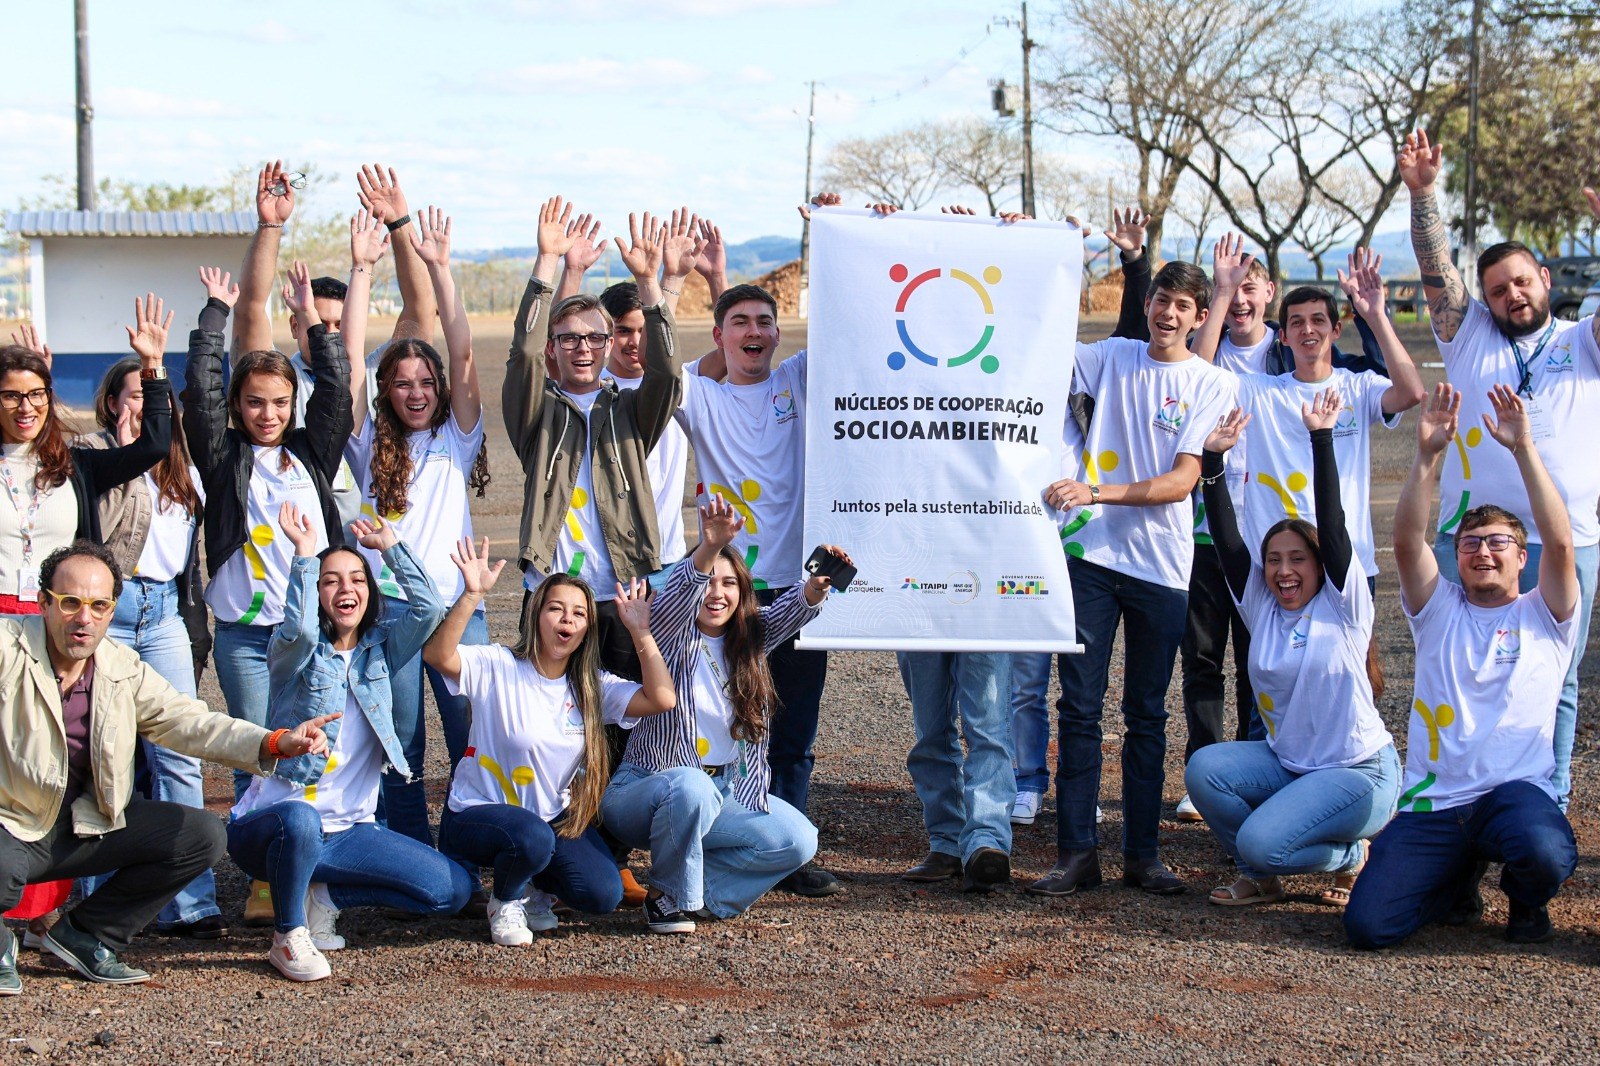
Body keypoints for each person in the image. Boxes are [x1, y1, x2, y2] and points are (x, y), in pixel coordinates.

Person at [0, 541, 334, 994]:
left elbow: (189, 722)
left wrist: (273, 740)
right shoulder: (8, 648)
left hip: (79, 828)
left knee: (199, 836)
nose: (85, 618)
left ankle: (87, 934)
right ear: (44, 603)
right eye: (70, 603)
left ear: (111, 609)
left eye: (99, 606)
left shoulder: (120, 668)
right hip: (11, 826)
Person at [1400, 131, 1600, 808]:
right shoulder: (1469, 331)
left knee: (1559, 680)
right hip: (1477, 540)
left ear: (1546, 280)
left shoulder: (1583, 340)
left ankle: (1549, 802)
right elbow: (1435, 267)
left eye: (1522, 281)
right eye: (1497, 288)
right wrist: (1424, 192)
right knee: (1456, 670)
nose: (1512, 294)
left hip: (1565, 537)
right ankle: (1459, 804)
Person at [1026, 260, 1236, 898]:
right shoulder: (1113, 355)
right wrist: (1027, 250)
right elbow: (1038, 349)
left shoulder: (1211, 384)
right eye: (1160, 300)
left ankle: (1143, 856)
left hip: (1162, 570)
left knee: (1146, 714)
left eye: (1182, 307)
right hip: (1090, 562)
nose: (1167, 315)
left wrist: (1096, 490)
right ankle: (1076, 854)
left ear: (1201, 318)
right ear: (1147, 302)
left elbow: (1181, 483)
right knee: (1079, 708)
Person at [1345, 384, 1579, 948]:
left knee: (1544, 852)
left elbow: (1563, 543)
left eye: (1498, 542)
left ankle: (1526, 902)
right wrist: (1427, 455)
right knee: (1368, 927)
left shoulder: (1546, 615)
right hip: (1437, 802)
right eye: (1471, 542)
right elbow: (1405, 543)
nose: (1482, 551)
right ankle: (1454, 880)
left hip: (1514, 795)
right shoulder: (1439, 609)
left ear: (1523, 558)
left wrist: (1524, 449)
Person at [1173, 238, 1393, 821]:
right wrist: (1217, 292)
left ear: (1269, 297)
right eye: (1233, 287)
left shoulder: (1290, 361)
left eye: (1252, 287)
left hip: (1295, 550)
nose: (1241, 297)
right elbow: (1195, 368)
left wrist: (1372, 316)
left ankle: (1328, 785)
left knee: (1267, 662)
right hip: (1220, 533)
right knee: (1202, 658)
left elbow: (1392, 387)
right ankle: (1223, 775)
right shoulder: (1220, 360)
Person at [226, 505, 469, 983]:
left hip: (348, 834)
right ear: (316, 593)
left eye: (357, 580)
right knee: (301, 817)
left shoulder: (381, 649)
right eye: (331, 580)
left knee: (451, 891)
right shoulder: (294, 652)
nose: (346, 590)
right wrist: (302, 555)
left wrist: (391, 548)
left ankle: (324, 897)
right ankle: (289, 933)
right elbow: (295, 628)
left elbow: (430, 609)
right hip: (273, 828)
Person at [1185, 393, 1401, 907]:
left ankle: (1351, 857)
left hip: (1358, 772)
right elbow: (1227, 537)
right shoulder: (1262, 607)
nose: (1285, 570)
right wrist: (1212, 461)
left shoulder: (1344, 605)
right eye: (1275, 560)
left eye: (1298, 559)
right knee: (1204, 771)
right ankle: (1260, 877)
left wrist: (1321, 439)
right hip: (1291, 765)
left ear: (1320, 565)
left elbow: (1333, 521)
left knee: (1262, 840)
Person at [601, 498, 845, 932]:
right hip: (644, 791)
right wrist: (710, 546)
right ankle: (668, 895)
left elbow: (794, 610)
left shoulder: (750, 640)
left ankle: (700, 897)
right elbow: (679, 594)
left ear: (742, 592)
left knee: (797, 840)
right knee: (692, 787)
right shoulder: (670, 633)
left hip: (722, 790)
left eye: (729, 584)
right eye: (710, 583)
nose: (718, 594)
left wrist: (818, 585)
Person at [424, 540, 675, 945]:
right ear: (537, 615)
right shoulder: (498, 665)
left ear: (586, 628)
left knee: (602, 893)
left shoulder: (591, 685)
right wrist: (472, 594)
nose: (567, 619)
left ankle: (536, 891)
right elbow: (438, 656)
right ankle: (504, 900)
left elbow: (662, 698)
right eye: (556, 608)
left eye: (579, 613)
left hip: (548, 818)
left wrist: (640, 632)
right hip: (477, 813)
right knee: (531, 836)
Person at [343, 205, 489, 850]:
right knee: (400, 742)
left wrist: (441, 270)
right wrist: (359, 271)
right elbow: (347, 361)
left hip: (459, 606)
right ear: (386, 392)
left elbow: (461, 350)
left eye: (426, 381)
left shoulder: (457, 438)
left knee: (472, 739)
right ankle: (406, 853)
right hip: (393, 610)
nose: (417, 391)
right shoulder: (367, 441)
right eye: (401, 383)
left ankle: (470, 846)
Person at [186, 262, 352, 812]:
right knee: (253, 748)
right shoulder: (222, 456)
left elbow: (337, 391)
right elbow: (201, 397)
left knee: (314, 745)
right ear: (238, 405)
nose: (268, 413)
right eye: (255, 401)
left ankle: (313, 846)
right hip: (246, 639)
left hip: (310, 630)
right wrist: (216, 317)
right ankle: (260, 866)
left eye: (280, 402)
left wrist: (314, 324)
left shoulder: (310, 452)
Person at [1011, 206, 1153, 829]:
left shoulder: (1083, 369)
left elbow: (1131, 334)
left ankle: (1077, 785)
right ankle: (1026, 780)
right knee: (1023, 678)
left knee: (1080, 686)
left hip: (1080, 548)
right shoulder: (998, 368)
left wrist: (1133, 263)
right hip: (1016, 542)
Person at [503, 197, 680, 674]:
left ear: (606, 346)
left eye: (594, 338)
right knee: (550, 714)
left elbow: (665, 373)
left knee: (623, 718)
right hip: (552, 592)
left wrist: (649, 283)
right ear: (553, 349)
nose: (583, 348)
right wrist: (546, 265)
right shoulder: (537, 416)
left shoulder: (630, 411)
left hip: (622, 591)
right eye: (569, 338)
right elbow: (521, 354)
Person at [75, 351, 218, 939]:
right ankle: (103, 901)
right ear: (111, 403)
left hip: (164, 615)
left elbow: (189, 561)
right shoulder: (93, 458)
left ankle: (191, 903)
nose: (142, 406)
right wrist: (127, 458)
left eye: (151, 397)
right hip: (111, 609)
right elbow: (95, 534)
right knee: (107, 757)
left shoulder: (183, 467)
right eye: (131, 395)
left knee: (180, 748)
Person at [231, 162, 433, 535]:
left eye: (341, 325)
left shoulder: (374, 373)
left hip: (369, 551)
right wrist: (271, 225)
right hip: (293, 546)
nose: (331, 334)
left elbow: (421, 312)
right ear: (295, 324)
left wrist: (400, 224)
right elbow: (248, 310)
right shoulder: (274, 379)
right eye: (319, 324)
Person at [1218, 248, 1426, 590]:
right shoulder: (1257, 390)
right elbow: (1194, 376)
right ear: (1282, 337)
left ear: (1336, 330)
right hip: (1280, 566)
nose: (1308, 329)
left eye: (1318, 320)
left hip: (1349, 559)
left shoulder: (1358, 386)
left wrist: (1376, 316)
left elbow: (1411, 393)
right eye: (1296, 322)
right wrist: (1224, 292)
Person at [0, 296, 173, 618]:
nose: (26, 407)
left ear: (48, 398)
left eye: (36, 394)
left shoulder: (75, 466)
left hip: (60, 623)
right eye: (12, 396)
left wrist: (152, 366)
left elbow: (155, 446)